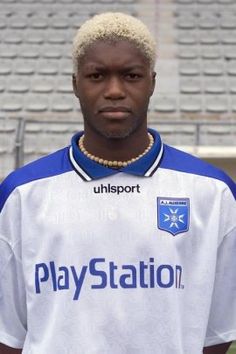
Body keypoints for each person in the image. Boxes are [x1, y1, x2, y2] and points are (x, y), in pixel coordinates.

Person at [0, 12, 235, 354]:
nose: (114, 91)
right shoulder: (21, 194)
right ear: (75, 83)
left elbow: (217, 333)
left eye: (131, 76)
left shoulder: (212, 193)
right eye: (97, 75)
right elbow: (9, 334)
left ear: (151, 82)